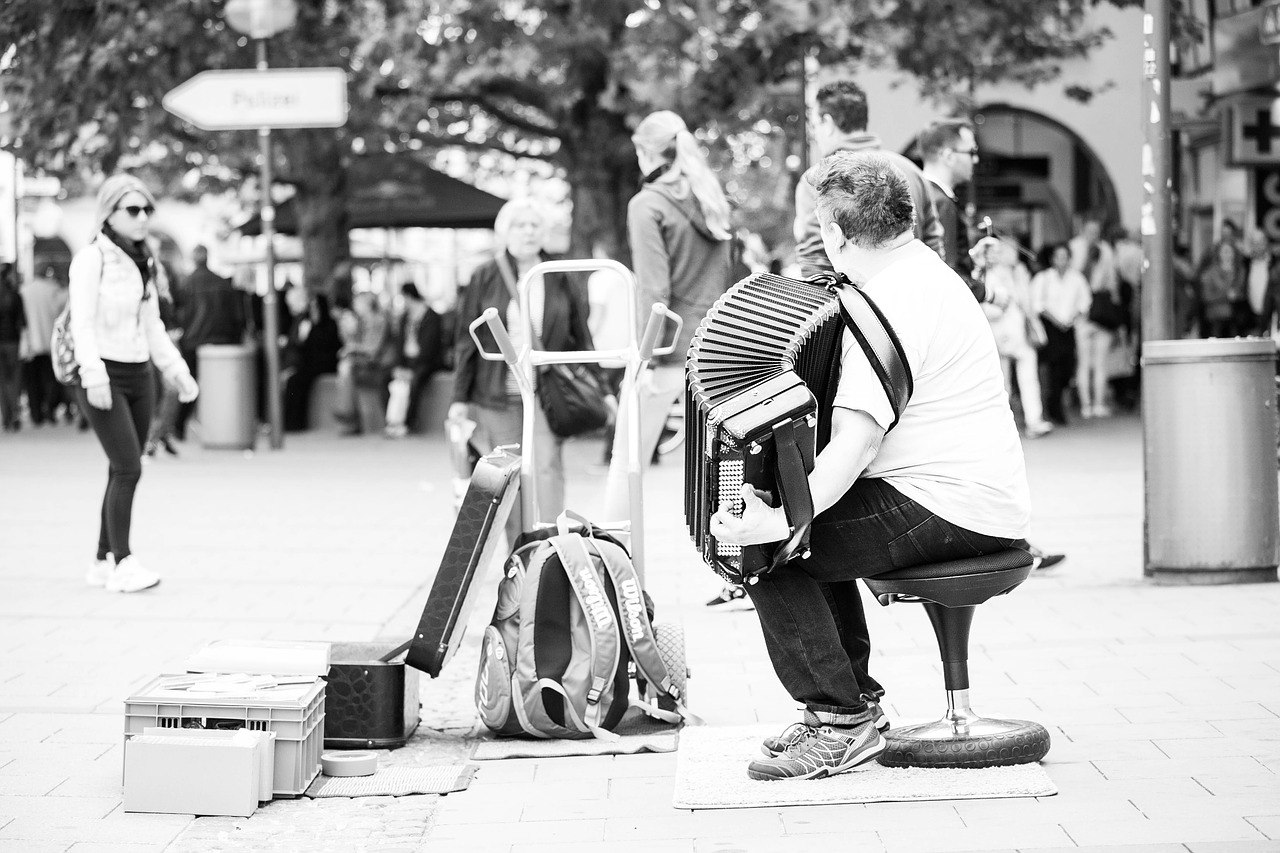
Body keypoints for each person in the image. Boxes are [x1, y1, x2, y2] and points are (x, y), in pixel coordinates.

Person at [711, 153, 1031, 781]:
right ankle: (851, 705)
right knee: (805, 526)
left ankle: (840, 720)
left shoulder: (889, 302)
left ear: (833, 234)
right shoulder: (925, 275)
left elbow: (853, 449)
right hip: (972, 496)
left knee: (769, 548)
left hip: (953, 505)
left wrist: (776, 522)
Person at [603, 110, 734, 528]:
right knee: (727, 470)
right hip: (717, 345)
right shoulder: (710, 198)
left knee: (628, 459)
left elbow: (654, 290)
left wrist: (646, 356)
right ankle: (737, 572)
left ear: (645, 152)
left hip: (668, 349)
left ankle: (612, 560)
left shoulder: (647, 204)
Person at [69, 174, 198, 593]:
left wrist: (176, 370)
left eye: (147, 209)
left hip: (141, 372)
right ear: (109, 213)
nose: (143, 217)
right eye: (133, 210)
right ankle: (123, 562)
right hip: (104, 371)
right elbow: (82, 322)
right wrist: (93, 375)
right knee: (129, 466)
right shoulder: (92, 259)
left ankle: (101, 560)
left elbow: (153, 325)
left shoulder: (144, 260)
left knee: (120, 467)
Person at [449, 197, 595, 541]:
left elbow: (580, 333)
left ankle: (552, 550)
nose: (528, 232)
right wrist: (459, 396)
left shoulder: (557, 274)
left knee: (546, 469)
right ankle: (518, 554)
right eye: (520, 225)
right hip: (498, 394)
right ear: (505, 231)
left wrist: (599, 384)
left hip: (546, 391)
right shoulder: (485, 275)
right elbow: (466, 341)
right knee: (508, 476)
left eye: (534, 225)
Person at [795, 80, 944, 280]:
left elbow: (815, 265)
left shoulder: (818, 180)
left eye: (814, 125)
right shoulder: (911, 171)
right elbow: (935, 248)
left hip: (854, 308)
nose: (815, 134)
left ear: (828, 123)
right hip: (917, 299)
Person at [918, 119, 1007, 307]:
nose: (976, 159)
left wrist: (972, 258)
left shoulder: (923, 195)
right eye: (971, 152)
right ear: (949, 156)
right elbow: (946, 274)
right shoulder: (940, 202)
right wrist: (991, 295)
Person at [982, 239, 1053, 438]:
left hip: (1021, 334)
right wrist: (1003, 305)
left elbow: (1028, 302)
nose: (1014, 253)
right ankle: (1002, 425)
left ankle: (1033, 420)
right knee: (1002, 382)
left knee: (1028, 377)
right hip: (1001, 333)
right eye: (1010, 250)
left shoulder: (1020, 273)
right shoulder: (991, 274)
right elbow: (987, 308)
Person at [175, 245, 245, 441]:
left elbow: (178, 314)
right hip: (221, 340)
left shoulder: (187, 283)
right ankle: (223, 425)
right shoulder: (222, 283)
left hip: (192, 340)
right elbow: (236, 316)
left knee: (189, 383)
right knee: (221, 386)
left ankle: (179, 424)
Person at [1031, 243, 1091, 425]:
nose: (1062, 261)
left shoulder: (1077, 279)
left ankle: (1055, 401)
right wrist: (1055, 319)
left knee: (1068, 366)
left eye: (1065, 257)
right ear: (1053, 259)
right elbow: (1037, 304)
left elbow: (1085, 301)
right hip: (1051, 328)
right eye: (1059, 257)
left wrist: (1074, 317)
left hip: (1069, 328)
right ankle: (1055, 408)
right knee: (1053, 368)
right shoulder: (1043, 278)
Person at [1071, 219, 1120, 418]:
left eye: (1096, 231)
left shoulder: (1106, 250)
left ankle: (1099, 404)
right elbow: (1075, 277)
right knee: (1083, 362)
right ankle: (1085, 405)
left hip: (1101, 311)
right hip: (1082, 312)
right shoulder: (1075, 247)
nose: (1093, 234)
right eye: (1090, 230)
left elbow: (1112, 280)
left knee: (1100, 363)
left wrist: (1114, 308)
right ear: (1083, 231)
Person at [333, 290, 394, 436]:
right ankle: (347, 413)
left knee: (345, 367)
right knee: (345, 367)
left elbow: (372, 350)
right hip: (366, 362)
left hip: (379, 363)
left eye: (357, 303)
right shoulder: (362, 321)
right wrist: (345, 330)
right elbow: (352, 342)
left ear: (367, 304)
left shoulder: (378, 320)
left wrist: (351, 348)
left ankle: (346, 413)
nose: (354, 306)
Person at [282, 290, 341, 432]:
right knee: (293, 381)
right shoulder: (308, 325)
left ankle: (295, 423)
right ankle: (290, 422)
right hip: (310, 364)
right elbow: (303, 348)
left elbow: (329, 347)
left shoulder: (329, 324)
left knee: (298, 381)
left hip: (325, 363)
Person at [143, 258, 184, 457]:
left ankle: (159, 435)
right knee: (162, 393)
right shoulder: (151, 295)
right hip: (155, 347)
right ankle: (154, 437)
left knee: (170, 392)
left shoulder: (168, 294)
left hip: (169, 344)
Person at [19, 264, 68, 426]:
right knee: (50, 379)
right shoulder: (53, 290)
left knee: (32, 382)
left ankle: (36, 413)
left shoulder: (24, 291)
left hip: (31, 345)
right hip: (49, 342)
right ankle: (50, 407)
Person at [1197, 239, 1249, 338]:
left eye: (1230, 251)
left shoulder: (1240, 270)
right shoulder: (1210, 273)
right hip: (1216, 319)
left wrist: (1237, 295)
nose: (1228, 255)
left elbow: (1243, 293)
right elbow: (1206, 296)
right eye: (1225, 251)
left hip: (1237, 320)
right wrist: (1225, 295)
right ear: (1218, 253)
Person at [0, 264, 25, 431]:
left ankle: (6, 416)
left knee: (2, 380)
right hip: (12, 341)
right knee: (14, 378)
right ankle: (15, 412)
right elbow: (22, 322)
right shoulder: (14, 295)